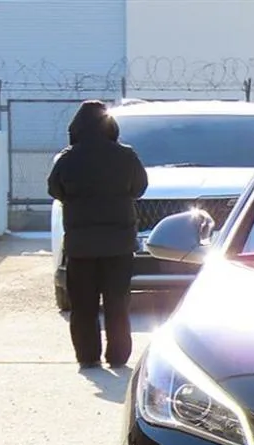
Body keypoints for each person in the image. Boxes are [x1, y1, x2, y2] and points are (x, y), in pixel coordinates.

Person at [47, 100, 148, 370]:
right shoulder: (126, 156)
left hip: (81, 246)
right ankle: (118, 355)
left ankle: (88, 356)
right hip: (119, 245)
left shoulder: (68, 158)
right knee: (117, 302)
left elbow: (54, 190)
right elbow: (139, 188)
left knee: (83, 305)